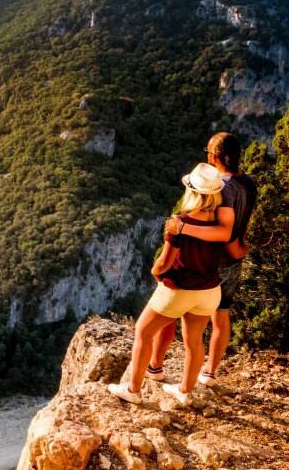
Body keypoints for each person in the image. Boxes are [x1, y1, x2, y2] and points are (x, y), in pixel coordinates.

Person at [108, 163, 226, 406]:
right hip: (210, 291)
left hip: (181, 289)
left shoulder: (180, 223)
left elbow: (164, 261)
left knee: (143, 331)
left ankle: (133, 390)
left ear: (191, 192)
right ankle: (183, 390)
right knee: (194, 341)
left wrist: (155, 271)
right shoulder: (219, 224)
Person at [147, 133, 257, 386]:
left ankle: (156, 365)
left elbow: (223, 230)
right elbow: (241, 224)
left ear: (213, 156)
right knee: (221, 315)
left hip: (211, 260)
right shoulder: (248, 183)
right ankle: (209, 372)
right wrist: (239, 245)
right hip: (233, 261)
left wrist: (182, 228)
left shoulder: (223, 187)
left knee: (171, 310)